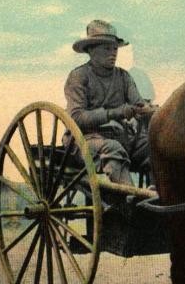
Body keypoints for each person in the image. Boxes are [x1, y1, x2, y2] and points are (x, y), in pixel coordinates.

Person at [64, 19, 156, 187]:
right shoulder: (79, 76)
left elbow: (140, 105)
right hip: (86, 141)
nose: (113, 53)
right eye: (106, 48)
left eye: (115, 49)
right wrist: (116, 112)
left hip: (121, 138)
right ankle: (129, 205)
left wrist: (153, 110)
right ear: (91, 50)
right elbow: (76, 117)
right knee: (113, 149)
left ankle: (159, 199)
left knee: (155, 146)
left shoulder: (123, 77)